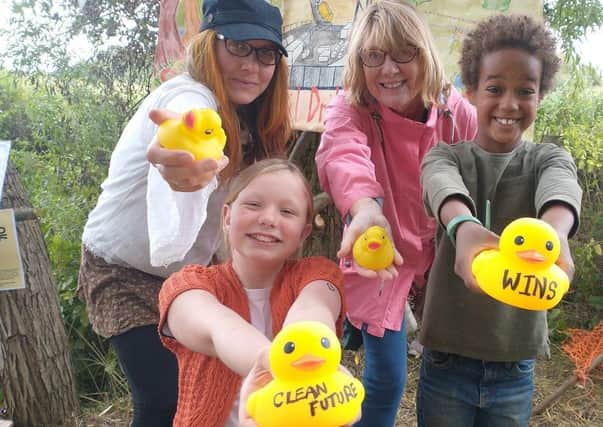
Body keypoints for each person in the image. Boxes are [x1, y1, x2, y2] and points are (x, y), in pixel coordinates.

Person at [77, 1, 291, 425]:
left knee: (199, 391)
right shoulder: (190, 96)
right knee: (161, 398)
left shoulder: (252, 116)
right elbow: (184, 131)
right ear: (210, 45)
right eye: (239, 47)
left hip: (186, 279)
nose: (253, 65)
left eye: (265, 53)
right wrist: (183, 167)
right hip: (123, 270)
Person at [314, 1, 477, 425]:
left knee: (449, 364)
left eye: (403, 52)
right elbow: (341, 154)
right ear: (360, 63)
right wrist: (365, 208)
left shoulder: (453, 110)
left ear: (423, 53)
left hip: (441, 249)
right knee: (386, 377)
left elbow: (487, 161)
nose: (389, 69)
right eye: (374, 56)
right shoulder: (350, 107)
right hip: (379, 251)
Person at [417, 14, 582, 427]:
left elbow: (561, 187)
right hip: (446, 362)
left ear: (540, 96)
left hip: (515, 367)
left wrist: (554, 233)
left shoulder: (547, 158)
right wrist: (463, 227)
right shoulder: (447, 156)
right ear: (471, 92)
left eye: (525, 91)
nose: (509, 104)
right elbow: (440, 185)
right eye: (495, 89)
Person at [158, 158, 346, 426]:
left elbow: (314, 310)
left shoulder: (319, 275)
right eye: (254, 204)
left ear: (303, 234)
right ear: (227, 216)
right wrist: (276, 364)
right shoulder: (187, 285)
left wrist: (308, 351)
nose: (268, 219)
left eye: (287, 212)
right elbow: (218, 327)